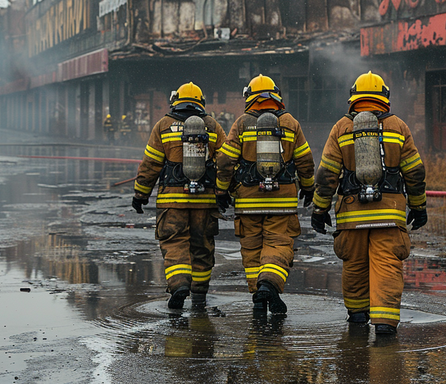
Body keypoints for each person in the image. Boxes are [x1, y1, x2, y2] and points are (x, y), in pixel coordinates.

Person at [310, 71, 428, 335]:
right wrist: (419, 207)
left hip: (351, 217)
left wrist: (319, 209)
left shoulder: (341, 127)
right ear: (384, 97)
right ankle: (385, 324)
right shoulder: (398, 126)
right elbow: (415, 172)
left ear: (354, 97)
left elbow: (326, 174)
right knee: (386, 265)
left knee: (355, 265)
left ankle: (358, 317)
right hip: (389, 215)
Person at [215, 74, 315, 315]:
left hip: (248, 201)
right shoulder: (290, 123)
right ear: (276, 96)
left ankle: (258, 297)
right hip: (282, 201)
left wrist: (221, 190)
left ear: (249, 97)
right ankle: (268, 284)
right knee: (279, 244)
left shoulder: (241, 123)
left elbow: (226, 160)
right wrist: (309, 187)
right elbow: (305, 161)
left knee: (251, 250)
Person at [131, 82, 227, 309]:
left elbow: (150, 164)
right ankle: (200, 296)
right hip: (204, 202)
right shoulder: (212, 125)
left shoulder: (163, 125)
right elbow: (225, 162)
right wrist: (224, 191)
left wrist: (140, 194)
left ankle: (179, 285)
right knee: (202, 247)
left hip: (172, 202)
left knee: (175, 245)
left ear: (176, 101)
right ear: (200, 103)